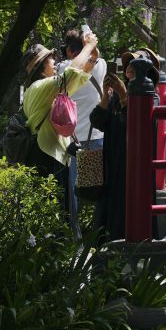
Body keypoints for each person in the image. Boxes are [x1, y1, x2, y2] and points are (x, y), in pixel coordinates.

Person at [23, 36, 99, 212]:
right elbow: (71, 73)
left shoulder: (42, 88)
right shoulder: (41, 86)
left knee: (59, 210)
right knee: (55, 211)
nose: (55, 63)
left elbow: (80, 77)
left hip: (49, 154)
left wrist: (93, 57)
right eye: (51, 60)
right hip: (48, 155)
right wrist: (88, 46)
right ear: (41, 66)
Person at [88, 51, 147, 242]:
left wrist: (123, 96)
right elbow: (97, 122)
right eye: (128, 63)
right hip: (112, 162)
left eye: (135, 63)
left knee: (126, 211)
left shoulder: (148, 94)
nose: (129, 66)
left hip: (133, 166)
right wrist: (106, 96)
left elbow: (137, 125)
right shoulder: (116, 95)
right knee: (107, 213)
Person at [57, 24, 108, 239]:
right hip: (97, 138)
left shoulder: (63, 69)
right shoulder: (101, 65)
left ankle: (74, 239)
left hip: (72, 142)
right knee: (98, 192)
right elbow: (95, 57)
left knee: (72, 196)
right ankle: (99, 234)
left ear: (69, 50)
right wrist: (91, 42)